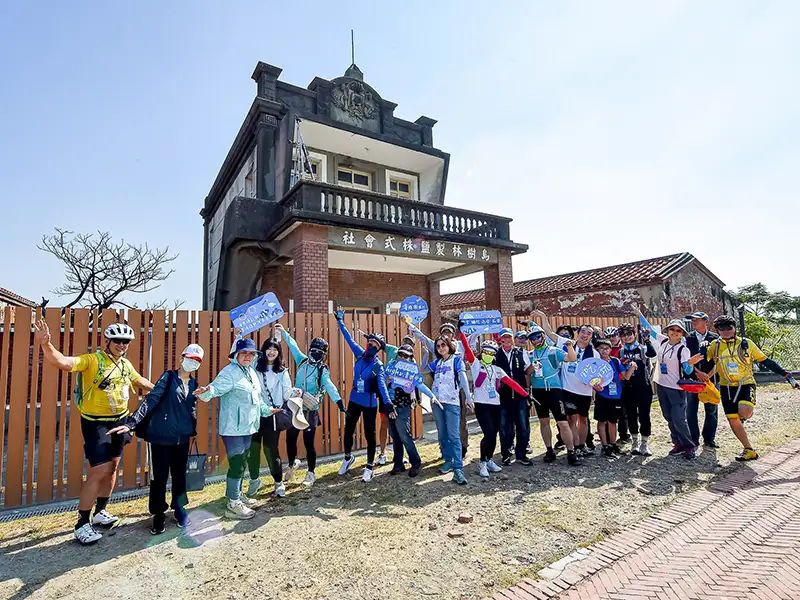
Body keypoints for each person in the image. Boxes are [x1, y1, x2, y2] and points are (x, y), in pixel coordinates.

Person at [33, 320, 155, 545]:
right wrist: (46, 345)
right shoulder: (92, 360)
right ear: (107, 341)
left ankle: (101, 511)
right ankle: (81, 523)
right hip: (96, 424)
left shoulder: (125, 365)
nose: (122, 345)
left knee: (113, 468)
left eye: (125, 341)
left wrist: (161, 389)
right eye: (118, 340)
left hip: (121, 421)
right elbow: (63, 362)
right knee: (99, 471)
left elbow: (139, 381)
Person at [108, 344, 203, 534]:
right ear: (182, 357)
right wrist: (132, 422)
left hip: (182, 438)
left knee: (179, 476)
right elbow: (151, 400)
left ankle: (179, 510)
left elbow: (190, 409)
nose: (192, 362)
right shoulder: (168, 377)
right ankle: (158, 514)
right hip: (160, 438)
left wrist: (191, 429)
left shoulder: (194, 385)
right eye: (190, 358)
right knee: (159, 478)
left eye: (197, 360)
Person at [706, 314, 800, 461]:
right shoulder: (714, 346)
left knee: (745, 411)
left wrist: (787, 376)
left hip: (746, 383)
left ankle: (743, 417)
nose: (726, 331)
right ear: (717, 330)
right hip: (726, 387)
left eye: (729, 328)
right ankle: (749, 450)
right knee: (733, 420)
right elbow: (704, 361)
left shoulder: (746, 344)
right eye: (721, 328)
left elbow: (767, 362)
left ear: (734, 328)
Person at [195, 338, 269, 519]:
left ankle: (235, 495)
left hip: (248, 426)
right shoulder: (229, 372)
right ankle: (233, 505)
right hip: (233, 429)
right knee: (237, 464)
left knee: (242, 463)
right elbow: (215, 388)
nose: (248, 356)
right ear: (236, 355)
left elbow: (256, 399)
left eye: (251, 353)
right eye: (244, 353)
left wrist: (267, 410)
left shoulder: (250, 372)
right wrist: (206, 391)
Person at [274, 323, 342, 487]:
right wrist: (284, 333)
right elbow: (293, 346)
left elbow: (330, 385)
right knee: (291, 439)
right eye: (314, 350)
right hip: (295, 407)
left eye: (320, 352)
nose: (316, 354)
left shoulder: (322, 370)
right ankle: (291, 465)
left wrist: (339, 402)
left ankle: (311, 472)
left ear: (324, 354)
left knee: (308, 442)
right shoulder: (302, 361)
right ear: (310, 349)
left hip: (310, 410)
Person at [634, 305, 702, 460]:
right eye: (672, 329)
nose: (674, 332)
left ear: (682, 334)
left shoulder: (683, 349)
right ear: (668, 331)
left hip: (676, 388)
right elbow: (649, 329)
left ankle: (689, 445)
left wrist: (690, 363)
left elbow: (688, 371)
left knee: (679, 418)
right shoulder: (663, 342)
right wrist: (639, 315)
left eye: (678, 331)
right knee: (668, 416)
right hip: (661, 385)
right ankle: (677, 443)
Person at [336, 311, 393, 482]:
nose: (371, 346)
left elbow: (382, 385)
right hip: (354, 399)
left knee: (370, 434)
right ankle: (347, 458)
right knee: (348, 431)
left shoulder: (378, 366)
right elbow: (348, 338)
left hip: (369, 403)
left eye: (375, 345)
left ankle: (369, 466)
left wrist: (388, 402)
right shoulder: (360, 354)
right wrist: (340, 321)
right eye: (370, 343)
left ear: (379, 349)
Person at [459, 336, 529, 478]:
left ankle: (489, 459)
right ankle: (483, 462)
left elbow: (511, 383)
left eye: (492, 353)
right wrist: (462, 334)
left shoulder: (497, 370)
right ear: (482, 353)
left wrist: (525, 394)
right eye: (486, 352)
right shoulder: (476, 365)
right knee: (489, 433)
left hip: (496, 405)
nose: (488, 355)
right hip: (482, 405)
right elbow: (467, 351)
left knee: (494, 434)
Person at [408, 320, 475, 459]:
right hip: (440, 391)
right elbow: (424, 339)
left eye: (449, 332)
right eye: (444, 332)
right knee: (442, 423)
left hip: (458, 390)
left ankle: (462, 448)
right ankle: (445, 450)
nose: (447, 335)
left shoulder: (461, 346)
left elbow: (474, 337)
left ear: (453, 335)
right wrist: (413, 328)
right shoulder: (438, 348)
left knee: (460, 420)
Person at [526, 325, 581, 465]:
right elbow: (527, 373)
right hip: (538, 392)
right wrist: (533, 367)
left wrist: (569, 346)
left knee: (562, 422)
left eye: (537, 336)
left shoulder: (553, 351)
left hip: (554, 391)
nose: (535, 340)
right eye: (532, 338)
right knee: (544, 422)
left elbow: (571, 359)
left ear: (543, 336)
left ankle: (571, 452)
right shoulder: (530, 354)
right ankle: (549, 450)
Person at [247, 338, 293, 498]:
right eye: (269, 348)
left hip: (272, 415)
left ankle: (278, 483)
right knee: (252, 450)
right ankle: (254, 481)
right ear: (264, 350)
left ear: (279, 352)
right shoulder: (254, 367)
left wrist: (296, 393)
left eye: (275, 349)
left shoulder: (282, 372)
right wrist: (238, 338)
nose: (271, 352)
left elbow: (287, 393)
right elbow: (234, 359)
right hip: (255, 413)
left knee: (271, 450)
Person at [385, 343, 437, 477]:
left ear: (411, 358)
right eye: (401, 354)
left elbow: (420, 384)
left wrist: (432, 396)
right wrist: (387, 380)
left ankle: (415, 462)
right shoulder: (391, 368)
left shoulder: (412, 371)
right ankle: (398, 464)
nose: (403, 357)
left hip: (403, 406)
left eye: (407, 356)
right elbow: (382, 382)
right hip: (390, 404)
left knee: (404, 434)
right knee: (394, 435)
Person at [429, 335, 473, 484]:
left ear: (449, 345)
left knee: (454, 435)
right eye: (438, 346)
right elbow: (422, 370)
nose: (441, 348)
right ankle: (448, 460)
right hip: (437, 402)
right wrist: (423, 354)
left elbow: (463, 379)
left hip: (452, 402)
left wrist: (468, 397)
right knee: (442, 433)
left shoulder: (456, 360)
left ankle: (458, 468)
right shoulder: (437, 362)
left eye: (443, 345)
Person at [494, 328, 533, 466]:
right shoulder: (495, 354)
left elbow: (527, 371)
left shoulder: (521, 352)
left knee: (523, 425)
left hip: (520, 394)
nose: (507, 340)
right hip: (503, 396)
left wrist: (535, 367)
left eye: (509, 337)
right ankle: (506, 454)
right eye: (504, 337)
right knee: (504, 426)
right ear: (500, 339)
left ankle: (521, 454)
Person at [618, 322, 657, 456]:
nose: (626, 337)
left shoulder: (642, 348)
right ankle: (634, 442)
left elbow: (652, 354)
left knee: (645, 416)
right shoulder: (621, 351)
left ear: (635, 334)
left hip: (643, 386)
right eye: (623, 335)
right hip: (628, 388)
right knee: (631, 415)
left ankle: (644, 443)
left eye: (629, 334)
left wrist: (647, 340)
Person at [684, 312, 720, 449]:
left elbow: (719, 360)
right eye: (692, 320)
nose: (693, 322)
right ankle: (693, 438)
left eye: (696, 320)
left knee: (711, 409)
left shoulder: (715, 338)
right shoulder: (688, 338)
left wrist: (708, 375)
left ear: (705, 321)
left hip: (711, 379)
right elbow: (685, 359)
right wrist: (698, 373)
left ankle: (709, 438)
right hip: (693, 379)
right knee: (691, 410)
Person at [592, 339, 633, 456]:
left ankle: (613, 444)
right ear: (597, 350)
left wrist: (632, 367)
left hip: (615, 395)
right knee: (602, 421)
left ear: (611, 349)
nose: (604, 351)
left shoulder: (615, 361)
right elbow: (589, 380)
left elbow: (626, 376)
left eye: (606, 348)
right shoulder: (595, 363)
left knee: (613, 421)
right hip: (602, 396)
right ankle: (605, 446)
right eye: (601, 348)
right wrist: (595, 388)